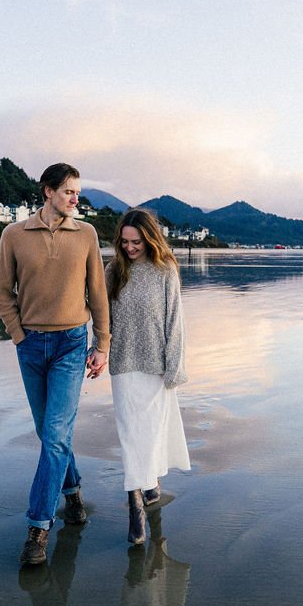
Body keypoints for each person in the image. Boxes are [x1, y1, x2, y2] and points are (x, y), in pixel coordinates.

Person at [0, 163, 110, 565]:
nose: (76, 198)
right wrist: (19, 335)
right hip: (31, 344)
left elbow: (98, 293)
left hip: (72, 345)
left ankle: (38, 528)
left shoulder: (87, 234)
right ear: (47, 191)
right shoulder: (13, 235)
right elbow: (2, 292)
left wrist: (103, 345)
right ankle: (73, 492)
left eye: (77, 191)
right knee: (49, 432)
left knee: (57, 432)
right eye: (68, 192)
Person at [105, 208, 191, 545]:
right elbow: (102, 318)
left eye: (136, 241)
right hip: (123, 363)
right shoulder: (114, 271)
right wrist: (97, 349)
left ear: (149, 238)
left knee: (152, 432)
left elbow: (176, 321)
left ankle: (151, 483)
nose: (129, 247)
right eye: (124, 242)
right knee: (130, 433)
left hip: (156, 364)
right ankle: (135, 503)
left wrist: (175, 366)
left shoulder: (165, 269)